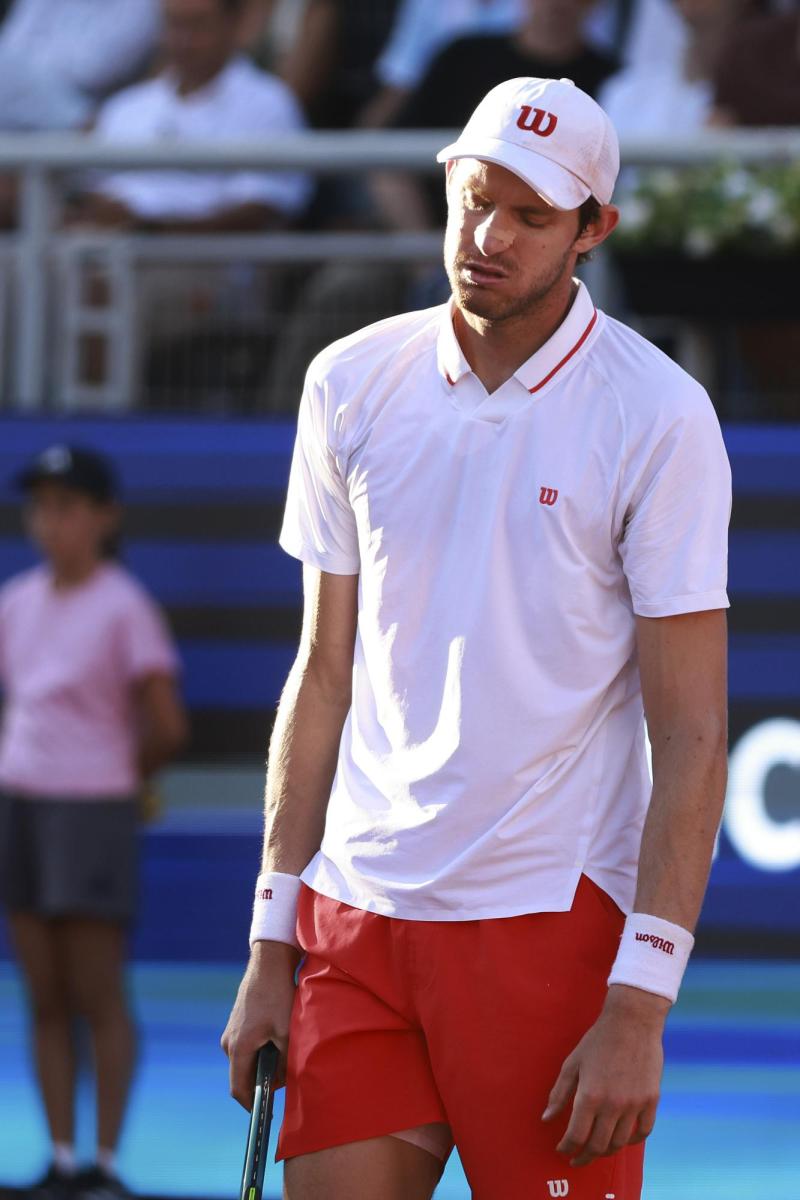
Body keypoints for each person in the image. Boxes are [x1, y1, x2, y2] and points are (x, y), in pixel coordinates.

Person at [222, 76, 730, 1200]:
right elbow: (323, 675)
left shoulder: (658, 415)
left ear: (592, 228)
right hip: (353, 924)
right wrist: (271, 941)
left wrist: (639, 999)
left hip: (549, 930)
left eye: (528, 215)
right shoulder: (347, 380)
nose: (484, 238)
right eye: (470, 199)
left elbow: (690, 734)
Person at [0, 445, 187, 1200]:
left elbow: (166, 726)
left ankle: (106, 1167)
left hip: (92, 814)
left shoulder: (123, 605)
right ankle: (62, 1160)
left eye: (69, 506)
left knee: (96, 992)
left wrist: (118, 782)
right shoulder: (16, 601)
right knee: (42, 993)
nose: (53, 521)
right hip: (22, 809)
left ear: (104, 518)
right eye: (42, 506)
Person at [74, 0, 310, 232]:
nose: (183, 40)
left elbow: (261, 207)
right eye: (174, 24)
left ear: (233, 24)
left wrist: (159, 232)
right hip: (116, 256)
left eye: (197, 25)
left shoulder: (270, 104)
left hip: (213, 262)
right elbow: (93, 192)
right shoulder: (126, 107)